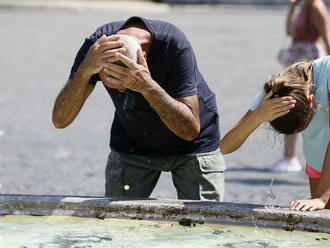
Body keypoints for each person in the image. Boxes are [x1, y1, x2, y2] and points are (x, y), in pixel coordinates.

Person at [52, 16, 225, 201]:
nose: (120, 90)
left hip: (194, 144)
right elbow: (60, 120)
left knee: (203, 225)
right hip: (133, 141)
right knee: (118, 224)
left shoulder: (173, 44)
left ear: (143, 57)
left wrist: (146, 86)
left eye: (125, 82)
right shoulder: (96, 49)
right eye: (110, 80)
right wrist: (85, 69)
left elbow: (190, 130)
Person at [220, 57, 330, 211]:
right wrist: (257, 116)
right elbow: (224, 147)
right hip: (318, 161)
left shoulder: (328, 72)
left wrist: (324, 197)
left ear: (311, 100)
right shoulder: (274, 94)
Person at [273, 0, 330, 172]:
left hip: (309, 62)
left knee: (299, 106)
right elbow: (290, 31)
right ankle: (289, 157)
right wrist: (291, 7)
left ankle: (295, 158)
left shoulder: (316, 7)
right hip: (298, 61)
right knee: (293, 105)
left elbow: (327, 38)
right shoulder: (304, 6)